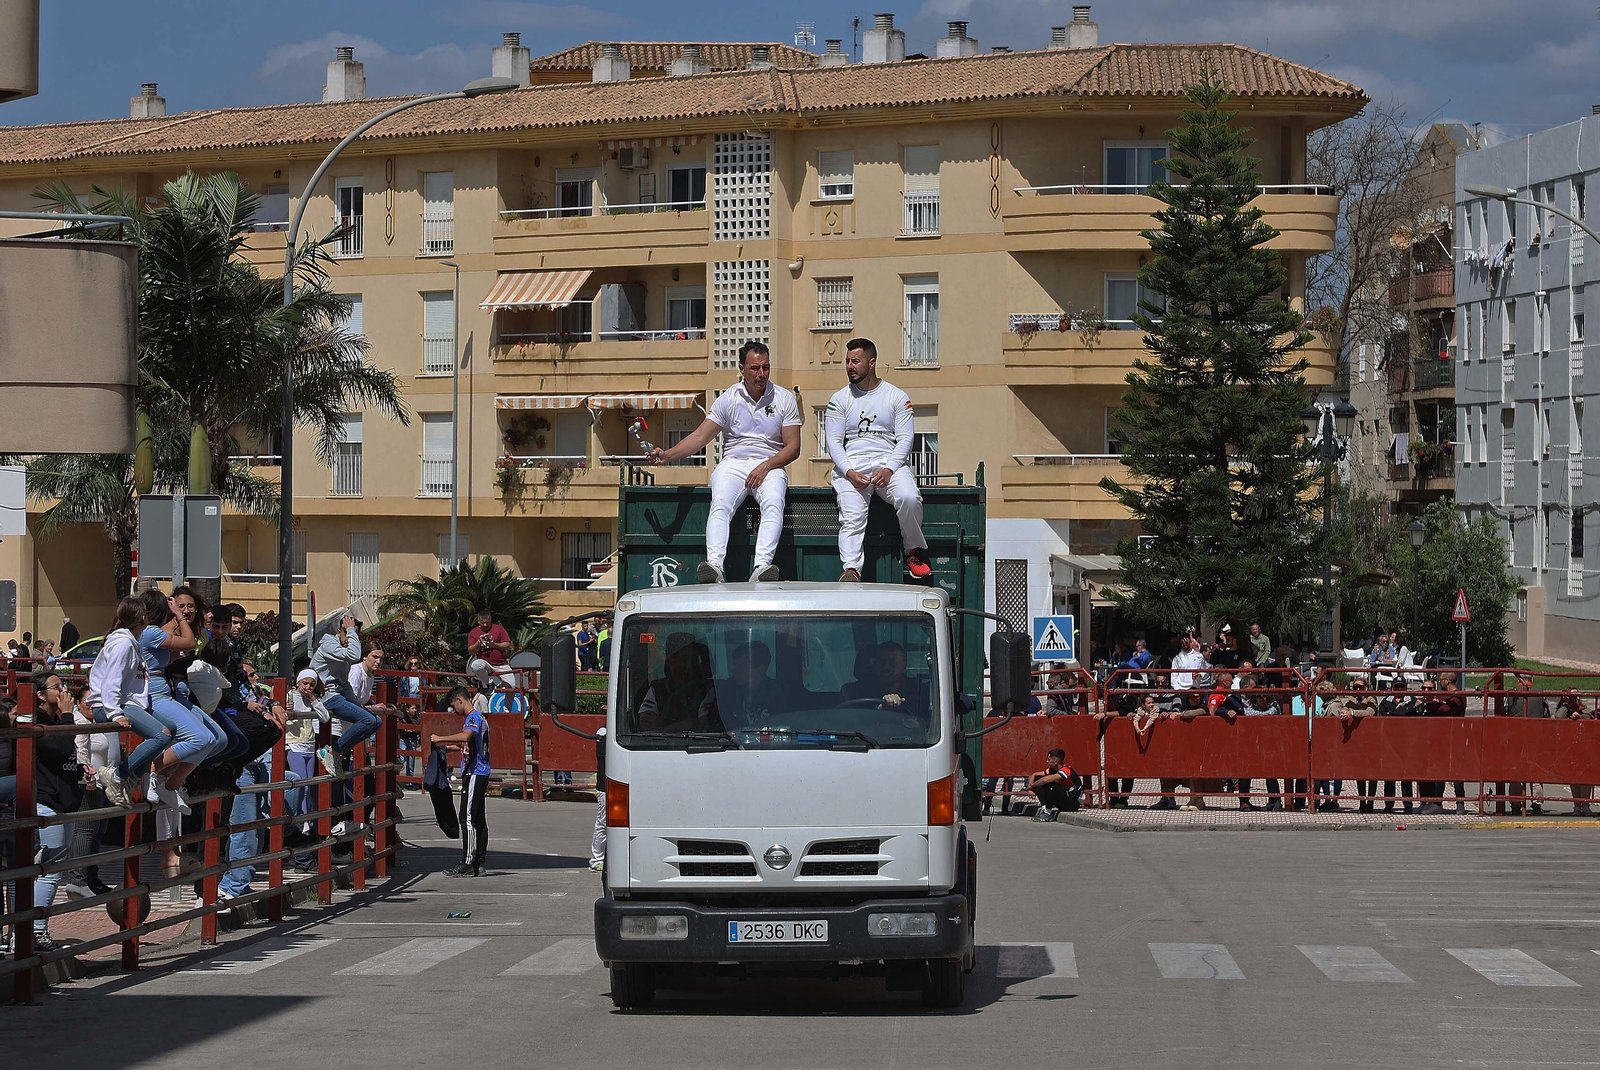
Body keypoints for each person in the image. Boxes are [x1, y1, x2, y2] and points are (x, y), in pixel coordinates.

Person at [647, 340, 802, 583]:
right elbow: (700, 436)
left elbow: (793, 447)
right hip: (734, 462)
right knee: (720, 503)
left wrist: (765, 466)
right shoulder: (728, 399)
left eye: (766, 367)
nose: (761, 374)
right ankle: (714, 567)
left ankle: (762, 567)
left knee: (773, 502)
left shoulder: (784, 398)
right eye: (755, 368)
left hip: (770, 463)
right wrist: (667, 455)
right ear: (742, 368)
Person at [824, 337, 931, 581]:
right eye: (848, 361)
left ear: (871, 363)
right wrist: (849, 473)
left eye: (856, 361)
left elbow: (905, 439)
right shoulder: (839, 399)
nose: (850, 366)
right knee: (852, 515)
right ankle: (851, 569)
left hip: (889, 463)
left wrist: (890, 469)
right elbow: (834, 443)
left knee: (909, 497)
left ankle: (913, 551)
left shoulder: (896, 396)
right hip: (852, 465)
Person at [27, 674, 86, 954]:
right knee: (47, 872)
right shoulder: (38, 723)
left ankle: (26, 931)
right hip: (46, 802)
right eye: (57, 687)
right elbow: (62, 745)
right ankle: (35, 932)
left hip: (64, 801)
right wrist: (66, 716)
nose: (64, 690)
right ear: (40, 694)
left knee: (48, 870)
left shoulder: (55, 721)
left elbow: (66, 754)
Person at [310, 614, 382, 781]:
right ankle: (333, 752)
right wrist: (351, 629)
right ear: (339, 632)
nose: (350, 638)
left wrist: (355, 704)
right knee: (368, 720)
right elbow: (355, 655)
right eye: (347, 633)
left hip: (339, 694)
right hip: (326, 696)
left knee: (377, 722)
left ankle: (337, 752)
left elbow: (344, 683)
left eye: (354, 634)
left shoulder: (345, 649)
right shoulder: (329, 645)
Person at [430, 685, 491, 878]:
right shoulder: (477, 719)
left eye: (454, 706)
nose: (454, 711)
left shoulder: (473, 717)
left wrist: (440, 738)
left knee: (467, 817)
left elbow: (465, 736)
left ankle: (468, 861)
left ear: (459, 700)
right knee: (478, 817)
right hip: (479, 771)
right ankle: (479, 862)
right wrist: (449, 748)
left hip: (475, 772)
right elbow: (469, 744)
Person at [635, 633, 721, 734]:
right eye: (684, 658)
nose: (689, 664)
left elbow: (701, 724)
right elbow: (646, 724)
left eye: (693, 658)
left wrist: (662, 729)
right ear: (670, 660)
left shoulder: (708, 689)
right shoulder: (657, 688)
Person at [715, 640, 785, 729]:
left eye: (740, 666)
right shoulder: (724, 692)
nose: (733, 670)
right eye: (734, 665)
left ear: (760, 669)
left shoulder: (779, 695)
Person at [1552, 687, 1596, 816]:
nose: (1576, 698)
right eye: (1572, 696)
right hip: (1569, 748)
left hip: (1585, 747)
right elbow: (1558, 717)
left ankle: (1585, 805)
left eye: (1577, 695)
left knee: (1585, 778)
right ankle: (1577, 806)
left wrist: (1580, 716)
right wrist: (1566, 706)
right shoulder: (1563, 709)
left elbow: (1590, 716)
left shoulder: (1583, 707)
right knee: (1573, 778)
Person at [466, 609, 516, 691]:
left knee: (512, 686)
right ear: (478, 622)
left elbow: (507, 645)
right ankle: (490, 683)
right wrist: (478, 642)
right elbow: (471, 651)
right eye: (483, 623)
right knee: (475, 665)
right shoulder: (473, 633)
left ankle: (508, 704)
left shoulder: (499, 629)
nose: (485, 625)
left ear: (490, 620)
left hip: (501, 664)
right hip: (485, 664)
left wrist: (494, 645)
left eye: (487, 622)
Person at [1027, 749, 1082, 821]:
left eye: (1049, 760)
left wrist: (1033, 785)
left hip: (1072, 803)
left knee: (1051, 785)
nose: (1047, 761)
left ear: (1056, 762)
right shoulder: (1052, 769)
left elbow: (1045, 780)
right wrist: (1030, 789)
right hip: (1062, 799)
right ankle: (1044, 808)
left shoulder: (1066, 770)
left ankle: (1047, 813)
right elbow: (1034, 775)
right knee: (1038, 779)